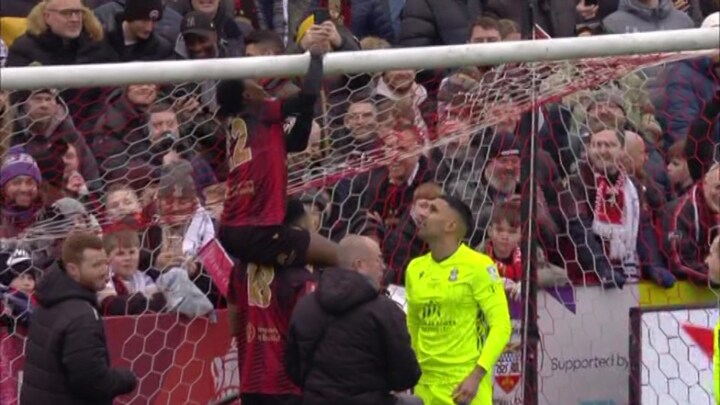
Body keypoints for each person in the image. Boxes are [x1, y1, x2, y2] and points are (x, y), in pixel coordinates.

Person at [215, 44, 339, 269]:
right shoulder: (257, 109)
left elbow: (297, 141)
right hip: (256, 229)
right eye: (254, 82)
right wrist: (316, 57)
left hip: (236, 228)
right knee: (338, 257)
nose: (262, 86)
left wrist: (307, 106)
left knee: (294, 210)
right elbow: (306, 97)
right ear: (247, 94)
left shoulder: (252, 129)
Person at [285, 234, 422, 405]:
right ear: (359, 265)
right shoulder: (384, 310)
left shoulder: (304, 306)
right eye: (379, 259)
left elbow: (292, 367)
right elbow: (406, 376)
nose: (383, 267)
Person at [405, 195, 512, 405]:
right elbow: (413, 324)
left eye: (433, 210)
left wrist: (476, 376)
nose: (423, 214)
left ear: (451, 225)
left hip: (463, 385)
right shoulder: (414, 268)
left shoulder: (479, 266)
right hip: (425, 386)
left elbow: (501, 326)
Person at [20, 232, 137, 405]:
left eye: (105, 262)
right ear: (73, 269)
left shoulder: (47, 299)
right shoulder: (82, 316)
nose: (104, 270)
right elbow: (91, 382)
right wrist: (127, 379)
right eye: (96, 265)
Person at [228, 199, 317, 405]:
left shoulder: (240, 269)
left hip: (251, 381)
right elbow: (308, 335)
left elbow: (234, 327)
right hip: (288, 384)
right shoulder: (301, 275)